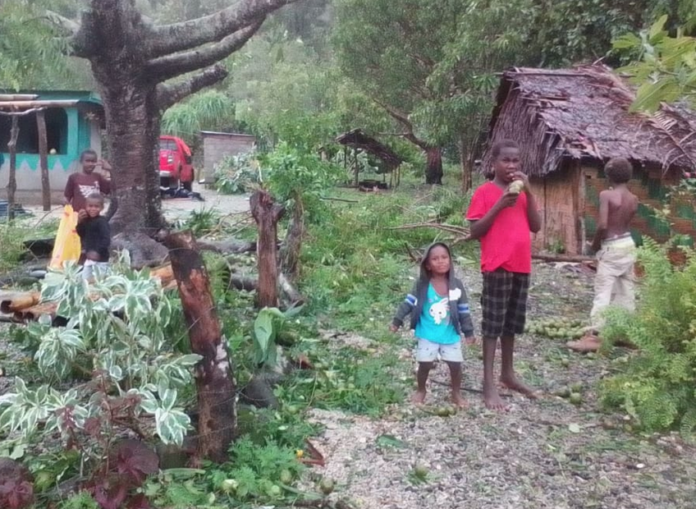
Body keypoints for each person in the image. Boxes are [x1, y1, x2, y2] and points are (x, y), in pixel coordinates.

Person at [466, 139, 542, 410]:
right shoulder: (485, 192)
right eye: (505, 160)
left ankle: (507, 374)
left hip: (521, 265)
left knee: (511, 324)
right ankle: (488, 383)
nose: (511, 165)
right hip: (497, 266)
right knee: (492, 325)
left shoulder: (522, 193)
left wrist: (529, 193)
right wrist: (500, 203)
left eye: (515, 160)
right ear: (493, 163)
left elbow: (536, 226)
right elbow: (475, 232)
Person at [390, 242, 476, 407]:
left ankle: (456, 393)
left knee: (455, 365)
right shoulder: (422, 285)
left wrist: (469, 332)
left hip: (450, 334)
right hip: (428, 333)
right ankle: (421, 389)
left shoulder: (456, 286)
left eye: (444, 257)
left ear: (450, 260)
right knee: (425, 364)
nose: (441, 261)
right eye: (435, 259)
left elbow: (464, 310)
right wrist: (397, 321)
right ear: (428, 265)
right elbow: (408, 303)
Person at [567, 158, 638, 352]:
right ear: (629, 176)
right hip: (628, 244)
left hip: (612, 246)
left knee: (603, 292)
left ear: (608, 176)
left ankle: (595, 337)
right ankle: (624, 333)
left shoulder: (606, 195)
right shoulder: (633, 199)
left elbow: (603, 225)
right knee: (626, 291)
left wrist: (594, 246)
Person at [76, 193, 111, 281]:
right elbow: (81, 234)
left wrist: (97, 252)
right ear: (86, 206)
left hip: (101, 259)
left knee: (101, 280)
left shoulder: (102, 222)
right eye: (90, 206)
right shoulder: (86, 220)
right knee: (85, 280)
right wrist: (79, 222)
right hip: (89, 258)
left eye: (96, 206)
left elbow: (106, 240)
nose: (93, 209)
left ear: (101, 208)